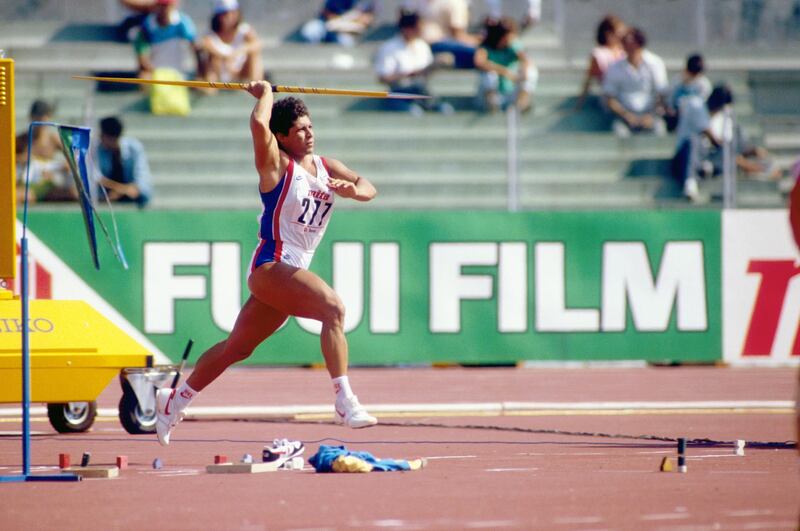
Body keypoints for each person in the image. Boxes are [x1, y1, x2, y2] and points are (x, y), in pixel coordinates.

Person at [155, 81, 379, 446]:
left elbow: (369, 185)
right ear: (282, 137)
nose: (309, 134)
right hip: (271, 266)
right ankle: (344, 400)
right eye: (299, 130)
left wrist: (356, 191)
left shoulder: (326, 166)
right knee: (333, 309)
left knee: (237, 348)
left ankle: (173, 400)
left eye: (310, 126)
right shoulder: (276, 166)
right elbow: (259, 127)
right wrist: (265, 95)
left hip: (290, 271)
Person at [374, 11, 449, 114]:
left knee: (445, 109)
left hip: (421, 91)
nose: (421, 31)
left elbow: (426, 71)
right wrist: (408, 74)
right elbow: (383, 78)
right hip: (399, 93)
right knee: (414, 112)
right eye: (418, 28)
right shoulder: (389, 47)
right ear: (407, 29)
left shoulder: (422, 45)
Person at [602, 27, 668, 137]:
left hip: (650, 117)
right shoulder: (614, 67)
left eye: (631, 42)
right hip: (624, 118)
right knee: (619, 133)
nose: (627, 45)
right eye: (625, 42)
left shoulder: (655, 63)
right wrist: (627, 115)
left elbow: (662, 94)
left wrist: (650, 116)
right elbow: (610, 99)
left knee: (659, 131)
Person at [474, 17, 537, 113]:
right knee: (489, 74)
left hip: (510, 93)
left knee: (531, 71)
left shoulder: (513, 46)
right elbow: (479, 62)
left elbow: (526, 61)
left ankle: (522, 103)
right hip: (493, 94)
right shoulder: (486, 47)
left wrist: (522, 74)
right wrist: (504, 71)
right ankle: (491, 104)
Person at [20, 101, 76, 203]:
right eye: (38, 117)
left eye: (44, 118)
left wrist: (60, 169)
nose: (41, 122)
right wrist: (22, 159)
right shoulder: (22, 139)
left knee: (74, 194)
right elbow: (6, 159)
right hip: (30, 186)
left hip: (49, 185)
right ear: (31, 117)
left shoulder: (53, 139)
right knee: (24, 196)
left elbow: (72, 159)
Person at [133, 0, 203, 79]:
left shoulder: (183, 23)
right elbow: (142, 56)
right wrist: (158, 74)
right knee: (144, 77)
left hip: (180, 73)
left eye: (168, 5)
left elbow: (196, 47)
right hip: (155, 75)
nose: (165, 9)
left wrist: (200, 73)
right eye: (162, 5)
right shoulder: (147, 25)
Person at [94, 116, 153, 208]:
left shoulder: (134, 148)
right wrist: (121, 189)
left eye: (102, 135)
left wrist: (122, 191)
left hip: (129, 195)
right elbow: (95, 177)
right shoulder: (97, 148)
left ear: (110, 137)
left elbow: (142, 179)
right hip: (106, 196)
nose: (100, 137)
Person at [201, 0, 264, 86]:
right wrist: (225, 57)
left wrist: (238, 52)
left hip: (241, 72)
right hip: (220, 72)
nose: (229, 16)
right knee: (213, 58)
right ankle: (211, 89)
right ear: (218, 16)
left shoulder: (244, 30)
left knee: (254, 54)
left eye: (232, 12)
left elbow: (257, 44)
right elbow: (205, 45)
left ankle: (255, 85)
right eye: (225, 14)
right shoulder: (210, 34)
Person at [405, 0, 480, 69]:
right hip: (438, 44)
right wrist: (480, 42)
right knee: (482, 53)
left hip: (419, 44)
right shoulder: (457, 3)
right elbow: (458, 36)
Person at [575, 14, 626, 110]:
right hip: (612, 97)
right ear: (608, 34)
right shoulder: (599, 54)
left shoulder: (626, 52)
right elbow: (589, 80)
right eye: (619, 33)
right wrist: (579, 105)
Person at [665, 53, 712, 131]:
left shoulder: (704, 85)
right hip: (675, 118)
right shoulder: (676, 81)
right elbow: (669, 101)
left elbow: (702, 107)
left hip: (693, 120)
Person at [300, 0, 377, 46]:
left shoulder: (368, 2)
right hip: (328, 25)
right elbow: (327, 13)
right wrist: (340, 21)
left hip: (347, 32)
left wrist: (348, 23)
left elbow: (367, 19)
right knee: (311, 29)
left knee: (346, 42)